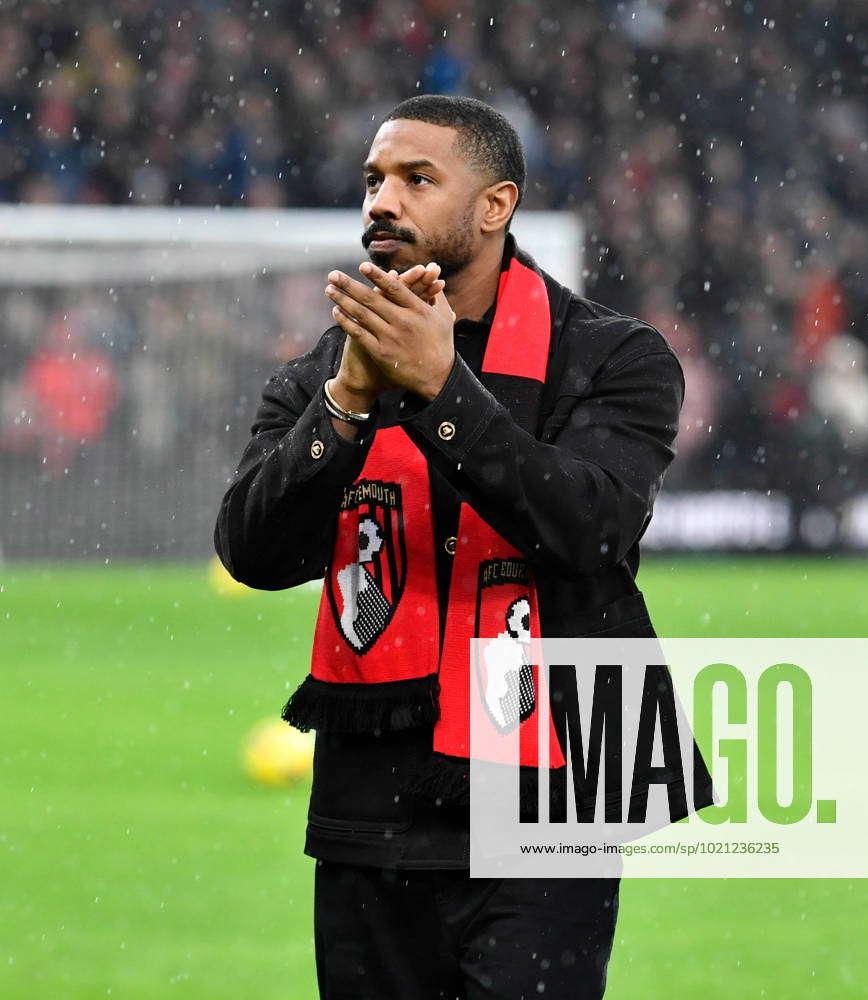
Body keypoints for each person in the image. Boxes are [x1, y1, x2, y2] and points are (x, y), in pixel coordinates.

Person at [214, 95, 712, 1000]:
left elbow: (588, 527)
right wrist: (344, 411)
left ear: (496, 205)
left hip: (556, 789)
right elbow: (255, 551)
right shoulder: (326, 370)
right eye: (373, 180)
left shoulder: (612, 357)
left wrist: (443, 388)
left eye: (416, 178)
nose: (380, 201)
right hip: (376, 799)